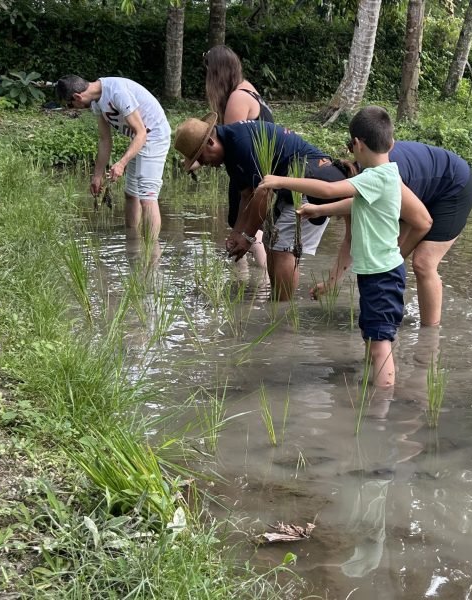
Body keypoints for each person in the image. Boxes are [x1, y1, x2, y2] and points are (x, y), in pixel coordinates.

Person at [259, 106, 433, 387]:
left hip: (381, 276)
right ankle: (374, 389)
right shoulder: (386, 176)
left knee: (379, 344)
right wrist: (318, 211)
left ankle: (382, 405)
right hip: (378, 273)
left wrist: (279, 180)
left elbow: (328, 190)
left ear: (357, 145)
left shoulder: (374, 177)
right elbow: (357, 203)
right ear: (391, 143)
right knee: (374, 335)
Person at [173, 115, 349, 300]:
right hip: (293, 183)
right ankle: (277, 303)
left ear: (210, 142)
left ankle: (283, 313)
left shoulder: (241, 144)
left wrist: (248, 237)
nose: (204, 163)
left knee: (282, 248)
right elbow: (247, 194)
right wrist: (237, 232)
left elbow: (263, 194)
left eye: (200, 156)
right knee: (270, 240)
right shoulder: (231, 147)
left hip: (314, 181)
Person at [316, 141, 472, 326]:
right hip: (420, 191)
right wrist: (332, 282)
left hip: (453, 185)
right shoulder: (358, 179)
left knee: (423, 263)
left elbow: (421, 223)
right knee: (388, 260)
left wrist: (393, 261)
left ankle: (429, 337)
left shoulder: (384, 178)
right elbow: (351, 239)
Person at [55, 75, 170, 239]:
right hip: (138, 138)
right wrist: (97, 175)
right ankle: (133, 244)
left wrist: (122, 163)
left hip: (154, 137)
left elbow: (141, 133)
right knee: (131, 195)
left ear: (77, 97)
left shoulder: (117, 92)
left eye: (70, 104)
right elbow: (105, 140)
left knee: (147, 197)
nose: (73, 108)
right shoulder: (96, 101)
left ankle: (151, 253)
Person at [203, 44, 275, 244]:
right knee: (252, 225)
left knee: (247, 228)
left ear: (216, 73)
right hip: (260, 167)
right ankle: (246, 275)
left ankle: (254, 275)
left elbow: (230, 143)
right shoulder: (249, 89)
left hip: (248, 168)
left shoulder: (237, 98)